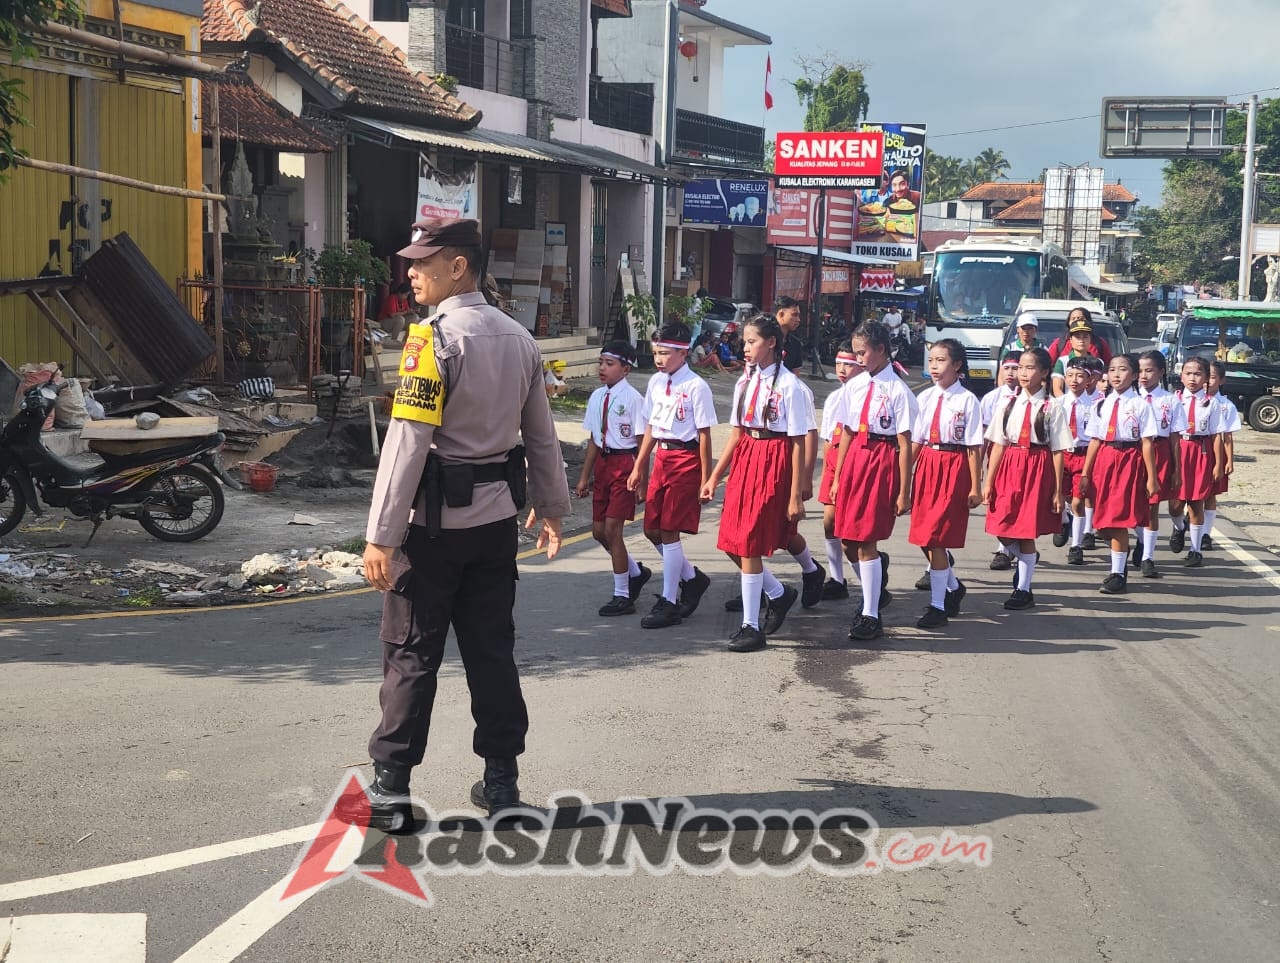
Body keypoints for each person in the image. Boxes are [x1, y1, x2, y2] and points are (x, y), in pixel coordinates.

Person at [357, 217, 570, 827]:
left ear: (459, 266)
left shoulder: (431, 340)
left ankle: (392, 792)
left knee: (410, 654)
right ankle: (501, 784)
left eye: (424, 262)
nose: (412, 273)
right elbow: (541, 436)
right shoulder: (517, 338)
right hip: (495, 526)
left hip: (431, 531)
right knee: (491, 653)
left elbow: (408, 441)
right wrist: (551, 507)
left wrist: (381, 535)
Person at [701, 315, 815, 652]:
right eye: (745, 342)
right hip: (747, 457)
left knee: (749, 543)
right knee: (731, 542)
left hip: (774, 458)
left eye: (752, 342)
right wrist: (714, 476)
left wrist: (796, 494)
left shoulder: (791, 387)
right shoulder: (743, 383)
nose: (745, 348)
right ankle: (778, 594)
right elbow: (737, 434)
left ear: (771, 343)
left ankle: (751, 625)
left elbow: (797, 441)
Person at [829, 321, 919, 641]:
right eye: (855, 353)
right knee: (847, 538)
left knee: (866, 539)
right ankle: (874, 585)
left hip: (881, 460)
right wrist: (838, 478)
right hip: (856, 459)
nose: (858, 359)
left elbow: (906, 445)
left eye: (863, 352)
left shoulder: (898, 391)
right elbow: (849, 433)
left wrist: (904, 491)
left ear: (881, 350)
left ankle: (870, 613)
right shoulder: (855, 386)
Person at [627, 321, 717, 628]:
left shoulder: (696, 387)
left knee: (669, 529)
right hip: (662, 456)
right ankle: (691, 578)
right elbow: (651, 425)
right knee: (651, 529)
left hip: (686, 457)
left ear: (683, 353)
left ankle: (669, 601)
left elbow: (705, 435)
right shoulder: (655, 382)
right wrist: (640, 464)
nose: (659, 358)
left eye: (665, 353)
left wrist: (707, 478)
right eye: (655, 353)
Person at [981, 347, 1072, 610]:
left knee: (1025, 530)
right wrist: (989, 481)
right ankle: (1026, 559)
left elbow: (1057, 450)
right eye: (1020, 367)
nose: (1022, 373)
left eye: (1030, 367)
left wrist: (1057, 491)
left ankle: (1023, 588)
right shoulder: (1008, 404)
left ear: (1044, 372)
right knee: (1000, 524)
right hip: (1010, 465)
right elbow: (998, 444)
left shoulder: (1052, 406)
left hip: (1037, 466)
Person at [908, 339, 983, 629]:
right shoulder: (925, 398)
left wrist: (976, 485)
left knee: (937, 537)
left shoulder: (967, 400)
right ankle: (953, 586)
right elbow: (916, 439)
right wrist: (904, 476)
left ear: (957, 365)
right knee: (923, 536)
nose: (934, 367)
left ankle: (937, 606)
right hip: (928, 463)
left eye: (941, 361)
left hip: (954, 466)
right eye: (931, 361)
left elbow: (974, 445)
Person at [575, 341, 651, 616]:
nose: (602, 368)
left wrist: (641, 478)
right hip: (604, 466)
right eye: (601, 363)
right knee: (597, 532)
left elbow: (644, 442)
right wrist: (584, 476)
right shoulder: (597, 397)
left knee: (612, 531)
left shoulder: (633, 399)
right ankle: (634, 572)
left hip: (625, 464)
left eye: (610, 364)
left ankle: (622, 595)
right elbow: (594, 439)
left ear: (626, 369)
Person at [1079, 354, 1160, 594]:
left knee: (1117, 519)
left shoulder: (1141, 405)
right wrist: (1086, 472)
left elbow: (1147, 442)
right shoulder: (1100, 404)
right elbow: (1094, 439)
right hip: (1105, 458)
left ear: (1135, 375)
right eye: (1112, 369)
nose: (1116, 374)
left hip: (1129, 459)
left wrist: (1152, 477)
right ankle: (1126, 551)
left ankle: (1118, 574)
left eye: (1123, 369)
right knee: (1102, 522)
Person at [1165, 357, 1224, 567]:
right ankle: (1179, 527)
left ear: (1206, 378)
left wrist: (1218, 464)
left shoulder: (1212, 403)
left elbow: (1217, 435)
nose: (1192, 378)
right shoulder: (1174, 399)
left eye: (1198, 374)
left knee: (1196, 502)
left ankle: (1195, 550)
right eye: (1188, 373)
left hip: (1201, 451)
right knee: (1175, 504)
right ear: (1181, 376)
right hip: (1178, 449)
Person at [816, 342, 863, 599]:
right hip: (834, 463)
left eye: (849, 364)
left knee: (852, 535)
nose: (843, 369)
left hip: (854, 463)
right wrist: (828, 471)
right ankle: (837, 578)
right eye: (839, 363)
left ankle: (870, 582)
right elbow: (826, 438)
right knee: (829, 523)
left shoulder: (863, 394)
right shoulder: (835, 397)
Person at [1132, 350, 1185, 577]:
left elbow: (1175, 437)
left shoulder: (1170, 400)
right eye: (1141, 370)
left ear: (1161, 372)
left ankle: (1148, 557)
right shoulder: (1131, 398)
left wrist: (1177, 469)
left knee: (1153, 505)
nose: (1144, 375)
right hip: (1134, 453)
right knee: (1134, 503)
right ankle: (1142, 540)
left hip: (1159, 451)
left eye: (1149, 370)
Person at [1055, 356, 1101, 566]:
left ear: (1089, 380)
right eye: (1071, 375)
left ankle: (1076, 545)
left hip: (1083, 454)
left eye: (1080, 376)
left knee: (1077, 501)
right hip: (1062, 454)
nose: (1074, 380)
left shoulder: (1094, 405)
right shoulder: (1058, 403)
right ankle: (1065, 522)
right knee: (1063, 497)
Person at [980, 357, 1022, 571]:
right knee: (998, 503)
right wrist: (979, 464)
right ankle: (1005, 549)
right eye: (1007, 368)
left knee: (1015, 504)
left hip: (1021, 457)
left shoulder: (1029, 398)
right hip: (998, 456)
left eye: (1016, 368)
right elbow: (985, 434)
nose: (1011, 373)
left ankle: (1014, 549)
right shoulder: (991, 398)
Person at [1202, 360, 1240, 551]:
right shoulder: (1192, 400)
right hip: (1195, 450)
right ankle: (1183, 523)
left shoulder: (1226, 406)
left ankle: (1205, 535)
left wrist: (1228, 461)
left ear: (1222, 380)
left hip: (1216, 454)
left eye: (1213, 377)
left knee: (1210, 494)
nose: (1208, 381)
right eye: (1205, 376)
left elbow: (1227, 437)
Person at [1050, 307, 1113, 396]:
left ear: (1091, 339)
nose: (1081, 340)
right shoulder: (1062, 361)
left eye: (1085, 336)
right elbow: (1057, 389)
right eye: (1077, 336)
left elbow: (1097, 388)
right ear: (1070, 340)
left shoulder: (1098, 362)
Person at [774, 295, 807, 371]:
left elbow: (795, 376)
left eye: (799, 315)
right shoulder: (763, 339)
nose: (798, 320)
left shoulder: (796, 344)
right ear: (781, 314)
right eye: (794, 315)